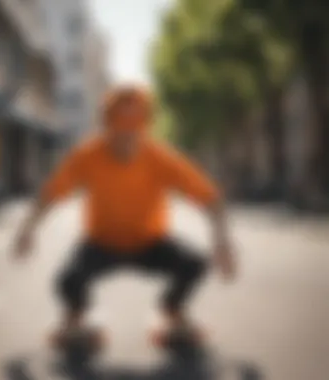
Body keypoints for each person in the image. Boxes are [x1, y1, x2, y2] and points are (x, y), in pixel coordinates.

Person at [14, 84, 236, 347]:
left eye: (134, 130)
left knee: (195, 263)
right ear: (107, 126)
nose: (127, 139)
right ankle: (76, 316)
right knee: (67, 279)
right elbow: (50, 194)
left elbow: (211, 198)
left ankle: (172, 310)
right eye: (119, 129)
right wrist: (27, 229)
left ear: (145, 127)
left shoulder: (159, 157)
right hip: (100, 244)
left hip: (150, 244)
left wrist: (222, 242)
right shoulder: (88, 155)